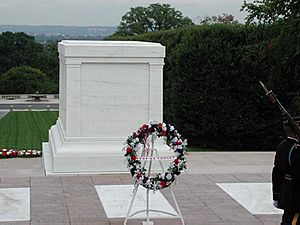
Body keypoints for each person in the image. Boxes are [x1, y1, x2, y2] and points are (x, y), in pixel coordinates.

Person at [272, 116, 300, 225]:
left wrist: (276, 194)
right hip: (297, 195)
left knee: (288, 219)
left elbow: (277, 173)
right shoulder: (297, 150)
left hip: (287, 192)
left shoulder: (282, 146)